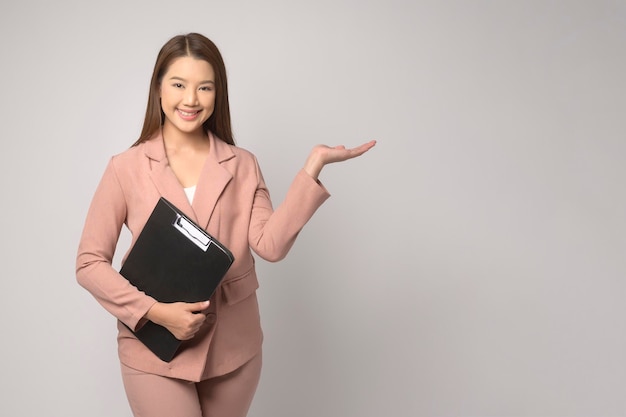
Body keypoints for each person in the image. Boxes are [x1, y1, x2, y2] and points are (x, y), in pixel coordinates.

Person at [76, 32, 375, 417]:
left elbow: (270, 245)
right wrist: (155, 312)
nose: (190, 99)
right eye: (179, 84)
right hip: (154, 349)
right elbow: (89, 263)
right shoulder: (125, 168)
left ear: (218, 94)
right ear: (159, 89)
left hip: (234, 348)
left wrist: (311, 169)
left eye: (204, 87)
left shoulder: (243, 164)